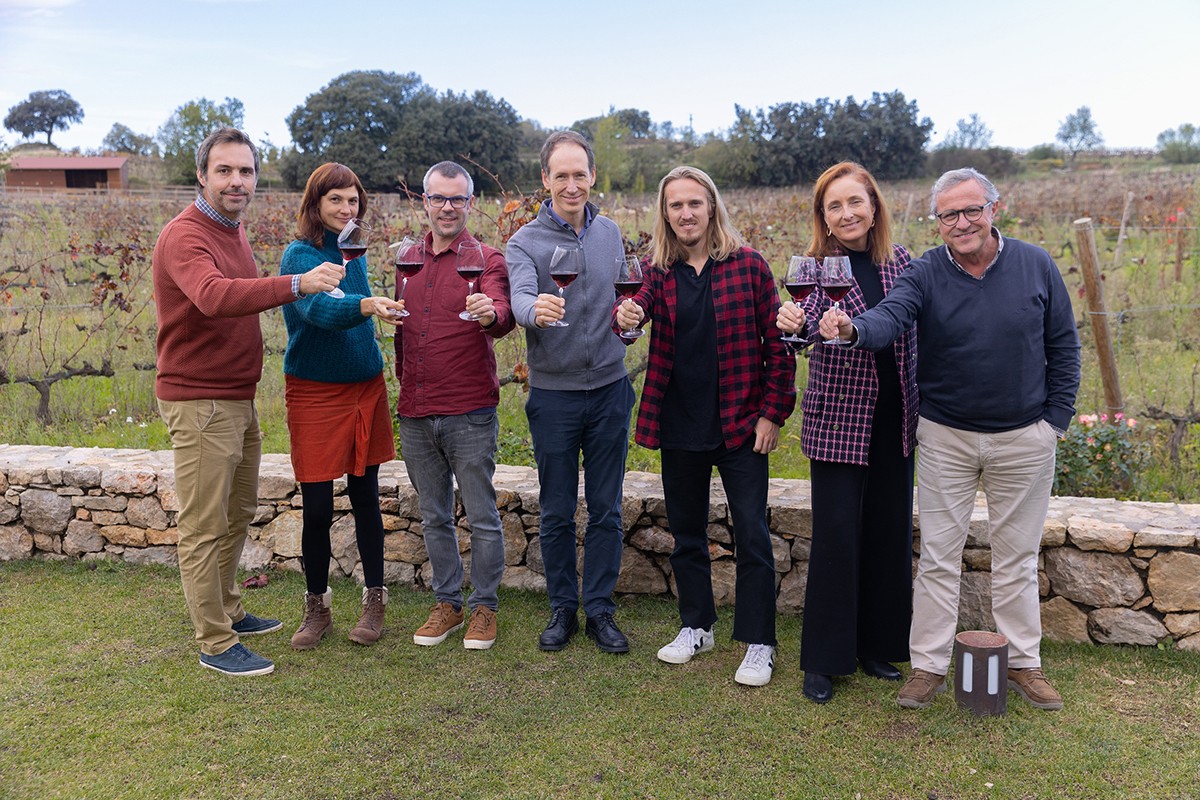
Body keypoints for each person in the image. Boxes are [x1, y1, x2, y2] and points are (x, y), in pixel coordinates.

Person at [820, 167, 1080, 711]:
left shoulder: (1035, 264)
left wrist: (1053, 422)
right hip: (946, 437)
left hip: (1023, 438)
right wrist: (852, 330)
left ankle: (1024, 664)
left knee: (1018, 558)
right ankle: (929, 667)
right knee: (939, 557)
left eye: (971, 210)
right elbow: (890, 318)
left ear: (994, 209)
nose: (961, 223)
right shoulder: (925, 271)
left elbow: (1064, 346)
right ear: (936, 221)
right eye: (948, 215)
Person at [153, 128, 344, 676]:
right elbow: (214, 297)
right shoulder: (185, 235)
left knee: (236, 514)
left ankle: (229, 610)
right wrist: (295, 283)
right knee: (204, 523)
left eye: (246, 171)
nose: (237, 181)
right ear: (202, 175)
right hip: (199, 401)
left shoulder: (230, 230)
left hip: (234, 399)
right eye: (225, 170)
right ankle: (214, 641)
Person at [616, 166, 796, 686]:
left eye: (695, 203)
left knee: (753, 536)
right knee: (687, 535)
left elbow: (778, 347)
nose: (686, 213)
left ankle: (760, 641)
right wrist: (625, 321)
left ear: (711, 207)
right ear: (665, 213)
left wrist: (772, 413)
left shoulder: (750, 267)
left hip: (743, 424)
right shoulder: (657, 271)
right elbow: (632, 312)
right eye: (676, 206)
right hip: (679, 422)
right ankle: (697, 625)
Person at [775, 162, 918, 704]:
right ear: (824, 217)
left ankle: (876, 646)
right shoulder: (813, 268)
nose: (846, 213)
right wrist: (791, 330)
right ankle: (823, 660)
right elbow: (802, 329)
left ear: (874, 206)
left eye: (854, 202)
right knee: (836, 537)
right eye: (834, 206)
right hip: (839, 420)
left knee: (887, 533)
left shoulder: (901, 261)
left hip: (895, 417)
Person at [506, 130, 636, 654]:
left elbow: (629, 303)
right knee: (557, 509)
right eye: (561, 175)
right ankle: (563, 606)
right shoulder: (524, 243)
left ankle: (600, 609)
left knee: (606, 508)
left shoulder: (609, 234)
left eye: (579, 173)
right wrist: (533, 309)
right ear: (545, 180)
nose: (571, 184)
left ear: (592, 176)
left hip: (609, 389)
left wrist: (632, 322)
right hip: (554, 396)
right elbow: (518, 299)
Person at [279, 163, 404, 651]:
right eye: (336, 200)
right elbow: (318, 311)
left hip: (363, 386)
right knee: (315, 507)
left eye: (353, 201)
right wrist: (368, 305)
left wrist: (382, 311)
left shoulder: (355, 252)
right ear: (316, 204)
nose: (346, 209)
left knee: (366, 497)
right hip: (313, 390)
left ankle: (375, 599)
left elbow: (359, 309)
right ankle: (317, 606)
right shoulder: (299, 254)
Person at [395, 161, 515, 650]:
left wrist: (491, 314)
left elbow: (502, 313)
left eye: (458, 199)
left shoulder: (487, 259)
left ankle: (484, 608)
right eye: (439, 198)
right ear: (424, 202)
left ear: (470, 203)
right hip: (416, 409)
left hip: (469, 410)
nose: (448, 207)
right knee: (434, 514)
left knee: (482, 514)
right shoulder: (406, 258)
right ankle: (448, 602)